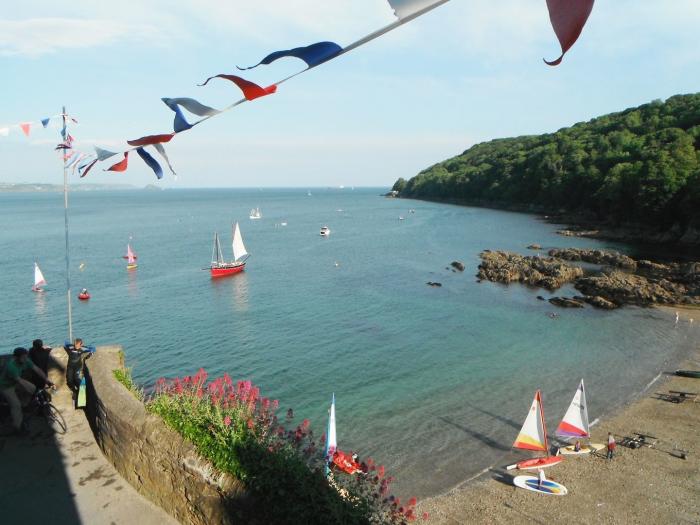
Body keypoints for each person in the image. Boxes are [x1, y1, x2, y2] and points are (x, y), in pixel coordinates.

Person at [0, 347, 53, 435]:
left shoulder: (25, 360)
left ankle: (24, 406)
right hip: (6, 386)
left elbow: (37, 370)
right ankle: (18, 428)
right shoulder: (11, 366)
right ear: (16, 357)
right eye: (23, 357)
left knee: (30, 391)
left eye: (26, 356)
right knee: (16, 406)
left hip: (15, 382)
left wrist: (46, 380)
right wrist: (35, 390)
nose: (25, 359)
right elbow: (20, 381)